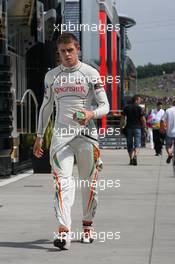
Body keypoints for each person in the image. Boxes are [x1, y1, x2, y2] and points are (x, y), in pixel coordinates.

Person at [33, 32, 109, 250]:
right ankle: (64, 231)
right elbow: (46, 107)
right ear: (58, 53)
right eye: (62, 51)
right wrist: (39, 136)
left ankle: (87, 225)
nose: (66, 55)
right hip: (61, 138)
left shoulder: (90, 73)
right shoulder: (51, 76)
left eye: (70, 50)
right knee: (62, 183)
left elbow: (105, 106)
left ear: (77, 50)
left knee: (89, 184)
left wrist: (90, 114)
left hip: (87, 137)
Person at [121, 95, 146, 166]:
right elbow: (143, 119)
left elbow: (122, 118)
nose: (140, 101)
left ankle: (131, 159)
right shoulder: (139, 108)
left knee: (129, 144)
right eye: (139, 100)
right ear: (136, 100)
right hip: (138, 128)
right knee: (137, 144)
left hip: (129, 128)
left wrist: (121, 127)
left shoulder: (126, 108)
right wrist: (144, 127)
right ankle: (135, 156)